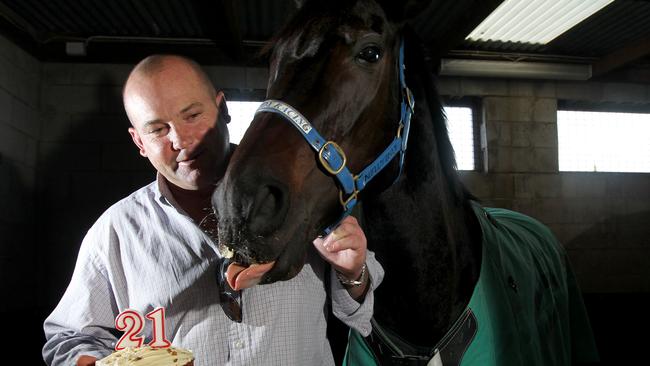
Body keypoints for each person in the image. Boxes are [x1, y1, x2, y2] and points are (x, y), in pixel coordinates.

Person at [42, 55, 384, 366]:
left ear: (223, 110)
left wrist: (352, 273)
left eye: (192, 115)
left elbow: (359, 316)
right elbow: (71, 337)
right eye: (157, 129)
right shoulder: (115, 231)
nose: (180, 140)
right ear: (139, 142)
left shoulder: (297, 196)